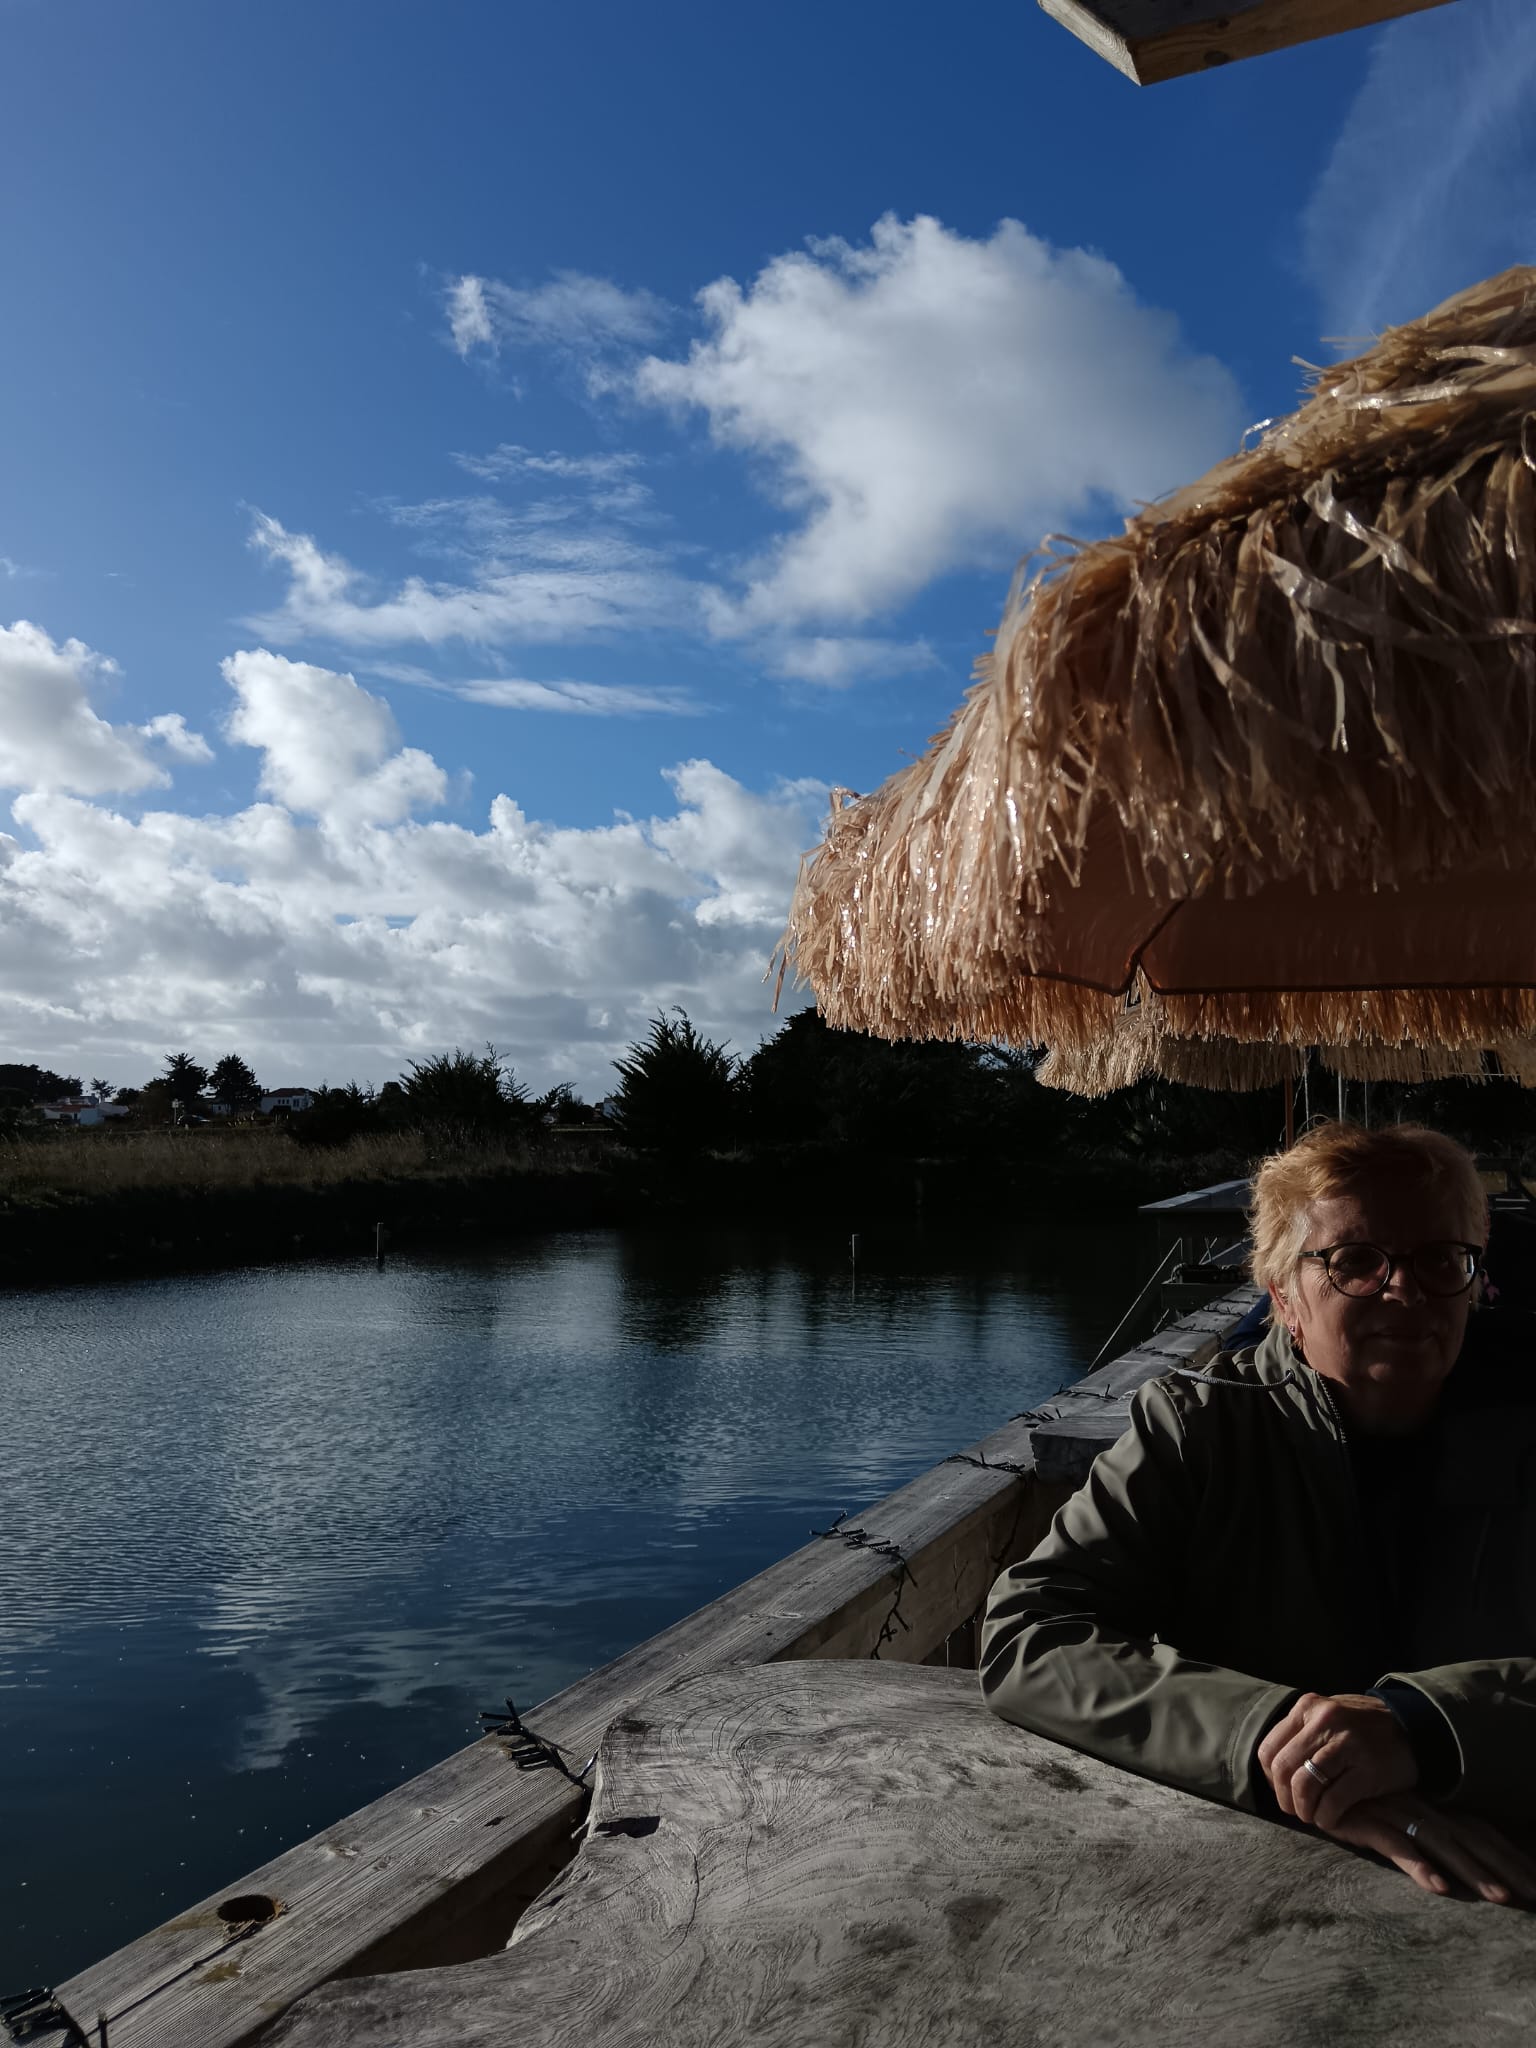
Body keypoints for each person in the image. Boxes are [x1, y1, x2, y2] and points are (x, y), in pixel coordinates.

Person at [980, 1122, 1536, 1905]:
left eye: (1440, 1260)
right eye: (1356, 1261)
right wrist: (1281, 1741)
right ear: (1283, 1299)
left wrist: (1425, 1727)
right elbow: (1030, 1633)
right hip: (1261, 1865)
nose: (1405, 1290)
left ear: (1475, 1281)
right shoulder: (1199, 1428)